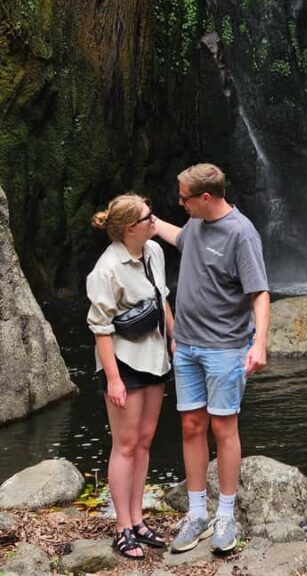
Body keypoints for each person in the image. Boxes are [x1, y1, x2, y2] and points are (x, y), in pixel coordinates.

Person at [153, 163, 270, 554]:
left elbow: (259, 293)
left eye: (184, 197)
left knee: (224, 429)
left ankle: (226, 514)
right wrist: (147, 222)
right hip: (186, 345)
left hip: (225, 347)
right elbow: (178, 237)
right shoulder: (197, 227)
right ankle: (197, 512)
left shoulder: (241, 233)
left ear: (206, 197)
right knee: (190, 425)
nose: (179, 202)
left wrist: (260, 344)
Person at [86, 194, 175, 560]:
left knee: (144, 440)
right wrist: (113, 380)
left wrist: (175, 338)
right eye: (146, 216)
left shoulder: (154, 252)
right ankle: (122, 527)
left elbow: (162, 298)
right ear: (128, 229)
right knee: (124, 445)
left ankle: (138, 519)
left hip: (154, 357)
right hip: (123, 362)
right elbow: (101, 329)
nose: (154, 219)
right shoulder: (106, 270)